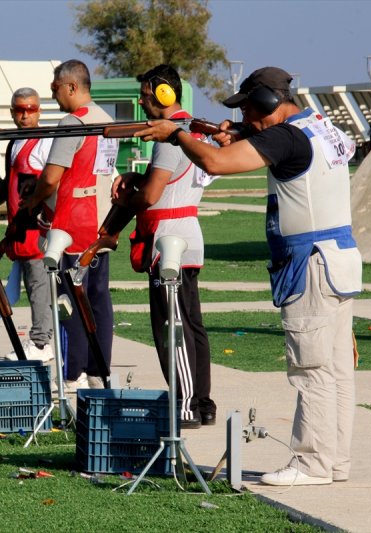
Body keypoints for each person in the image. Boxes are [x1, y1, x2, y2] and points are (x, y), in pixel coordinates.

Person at [135, 67, 361, 485]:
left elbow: (215, 162)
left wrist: (177, 134)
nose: (248, 117)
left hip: (308, 261)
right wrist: (243, 133)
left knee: (311, 368)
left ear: (271, 103)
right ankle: (334, 462)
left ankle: (310, 463)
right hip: (338, 260)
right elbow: (285, 147)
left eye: (251, 109)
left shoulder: (283, 137)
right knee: (335, 369)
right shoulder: (319, 126)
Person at [112, 65, 216, 429]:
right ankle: (201, 403)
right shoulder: (192, 132)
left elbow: (153, 195)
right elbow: (167, 183)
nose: (141, 100)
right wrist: (136, 178)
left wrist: (127, 198)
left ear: (164, 96)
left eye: (145, 94)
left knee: (171, 326)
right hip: (186, 234)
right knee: (191, 324)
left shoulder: (172, 138)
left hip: (168, 239)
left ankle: (185, 405)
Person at [20, 59, 118, 390]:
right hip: (102, 223)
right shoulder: (106, 119)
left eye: (54, 88)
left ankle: (72, 374)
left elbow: (50, 178)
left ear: (71, 87)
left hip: (73, 224)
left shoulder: (71, 122)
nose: (53, 94)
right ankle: (97, 371)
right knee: (99, 299)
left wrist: (32, 202)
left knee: (70, 300)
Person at [0, 87, 54, 362]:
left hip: (36, 226)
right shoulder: (14, 143)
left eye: (31, 109)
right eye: (19, 110)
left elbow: (52, 183)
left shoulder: (45, 143)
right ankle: (40, 339)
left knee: (40, 284)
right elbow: (7, 184)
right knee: (31, 281)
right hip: (19, 226)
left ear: (39, 111)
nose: (25, 115)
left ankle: (41, 343)